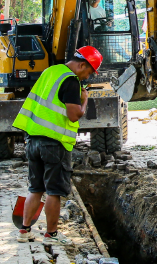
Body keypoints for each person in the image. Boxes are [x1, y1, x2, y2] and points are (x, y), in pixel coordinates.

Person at [14, 46, 102, 244]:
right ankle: (51, 234)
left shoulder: (50, 72)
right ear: (82, 65)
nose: (86, 78)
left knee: (35, 188)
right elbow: (73, 115)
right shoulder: (70, 81)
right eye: (88, 72)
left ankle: (24, 230)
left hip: (33, 139)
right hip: (54, 144)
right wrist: (84, 101)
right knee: (54, 191)